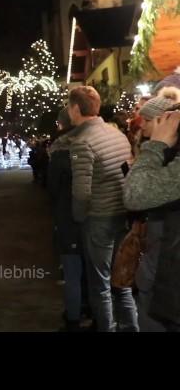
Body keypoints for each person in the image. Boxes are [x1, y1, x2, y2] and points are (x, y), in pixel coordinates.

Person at [68, 86, 138, 332]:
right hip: (122, 214)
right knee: (123, 281)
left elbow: (81, 191)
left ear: (76, 108)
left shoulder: (81, 142)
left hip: (98, 218)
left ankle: (107, 328)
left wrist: (78, 217)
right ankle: (131, 326)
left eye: (69, 107)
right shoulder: (117, 135)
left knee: (101, 284)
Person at [124, 88, 180, 331]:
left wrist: (156, 146)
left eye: (148, 119)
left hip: (166, 277)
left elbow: (136, 194)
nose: (141, 123)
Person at [47, 108, 88, 331]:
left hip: (69, 216)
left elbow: (52, 187)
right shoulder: (98, 141)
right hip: (98, 216)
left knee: (72, 269)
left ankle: (73, 316)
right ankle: (91, 309)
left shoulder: (62, 152)